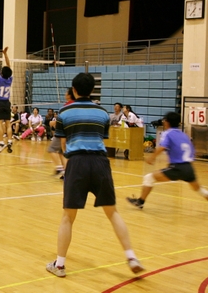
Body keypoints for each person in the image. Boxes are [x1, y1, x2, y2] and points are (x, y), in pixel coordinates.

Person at [46, 73, 144, 278]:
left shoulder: (64, 112)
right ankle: (132, 257)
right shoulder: (102, 113)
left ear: (74, 90)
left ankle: (60, 265)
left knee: (68, 217)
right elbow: (102, 137)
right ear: (92, 90)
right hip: (100, 162)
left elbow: (63, 143)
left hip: (77, 163)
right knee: (113, 213)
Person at [127, 112, 208, 209]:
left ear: (167, 122)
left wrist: (152, 157)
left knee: (149, 177)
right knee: (199, 189)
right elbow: (192, 151)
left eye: (164, 120)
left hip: (177, 168)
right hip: (189, 167)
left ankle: (140, 202)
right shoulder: (184, 135)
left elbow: (162, 147)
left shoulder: (168, 133)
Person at [47, 88, 75, 178]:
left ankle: (59, 168)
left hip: (63, 132)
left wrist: (53, 123)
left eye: (66, 92)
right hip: (71, 132)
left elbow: (63, 120)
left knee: (51, 149)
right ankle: (65, 172)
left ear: (69, 95)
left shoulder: (67, 106)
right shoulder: (75, 104)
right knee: (61, 152)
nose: (65, 94)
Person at [0, 46, 14, 154]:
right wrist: (5, 54)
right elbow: (8, 67)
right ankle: (10, 140)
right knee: (8, 123)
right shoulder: (10, 79)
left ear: (1, 73)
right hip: (7, 102)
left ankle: (1, 143)